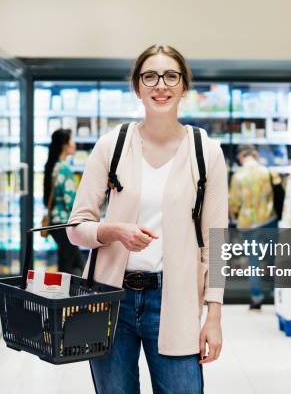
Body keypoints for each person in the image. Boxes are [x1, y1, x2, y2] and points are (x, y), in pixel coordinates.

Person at [66, 44, 227, 394]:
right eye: (150, 76)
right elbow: (76, 228)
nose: (161, 85)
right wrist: (112, 230)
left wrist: (213, 316)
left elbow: (216, 241)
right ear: (137, 87)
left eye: (171, 76)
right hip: (110, 300)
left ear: (184, 86)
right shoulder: (113, 145)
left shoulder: (206, 153)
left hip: (176, 300)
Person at [229, 145, 281, 310]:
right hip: (269, 220)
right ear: (256, 155)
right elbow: (279, 194)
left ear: (240, 157)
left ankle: (256, 297)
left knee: (254, 261)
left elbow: (234, 202)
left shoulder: (238, 176)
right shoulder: (268, 172)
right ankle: (275, 293)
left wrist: (235, 215)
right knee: (273, 258)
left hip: (248, 224)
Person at [43, 128, 82, 274]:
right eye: (72, 140)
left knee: (76, 263)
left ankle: (87, 293)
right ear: (65, 146)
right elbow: (70, 201)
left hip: (56, 223)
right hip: (65, 223)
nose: (74, 144)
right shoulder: (64, 169)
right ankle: (60, 295)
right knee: (66, 266)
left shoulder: (53, 166)